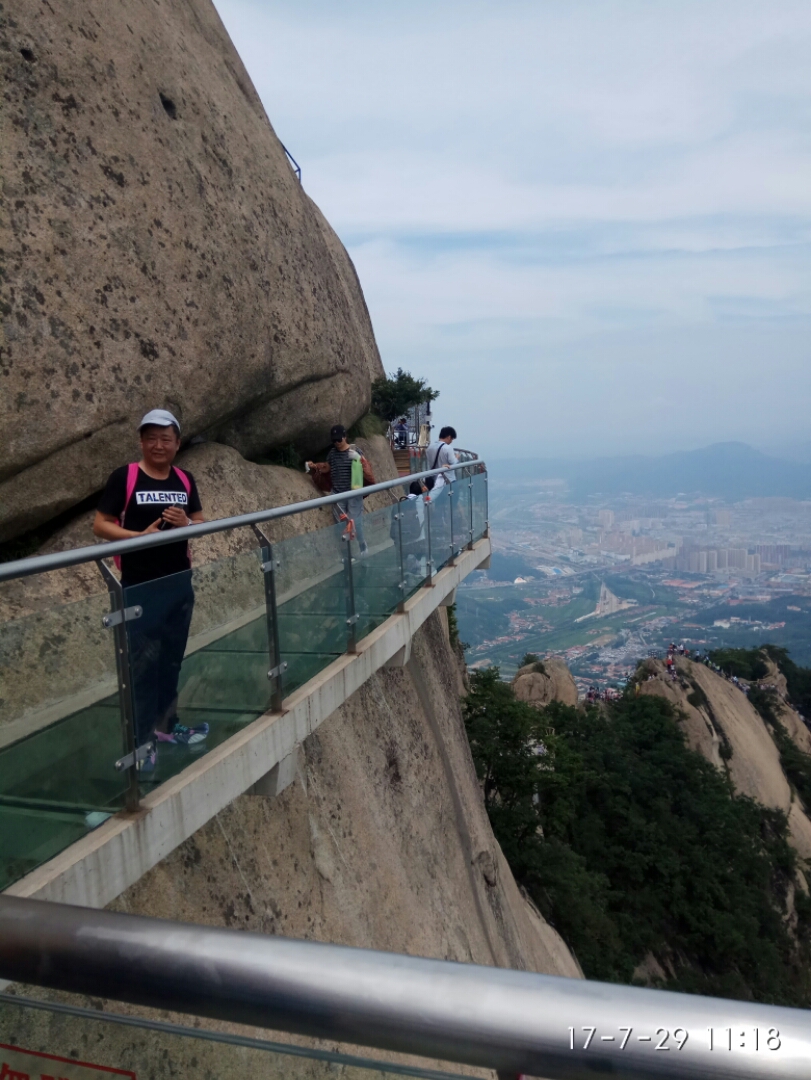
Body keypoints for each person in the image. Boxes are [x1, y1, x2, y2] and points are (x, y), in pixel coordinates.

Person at [94, 409, 207, 772]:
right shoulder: (125, 477)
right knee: (142, 668)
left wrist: (185, 522)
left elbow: (200, 523)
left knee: (171, 662)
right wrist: (137, 539)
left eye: (166, 438)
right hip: (139, 589)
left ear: (176, 443)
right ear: (142, 441)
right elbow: (101, 525)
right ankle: (141, 743)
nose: (158, 445)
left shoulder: (185, 479)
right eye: (151, 438)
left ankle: (166, 727)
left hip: (178, 584)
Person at [306, 425, 370, 553]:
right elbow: (327, 467)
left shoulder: (355, 450)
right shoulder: (332, 453)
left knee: (355, 523)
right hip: (337, 494)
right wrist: (315, 467)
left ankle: (362, 544)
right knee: (341, 526)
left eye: (339, 439)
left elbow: (366, 469)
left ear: (345, 437)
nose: (336, 442)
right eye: (334, 440)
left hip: (354, 494)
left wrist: (358, 458)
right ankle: (346, 554)